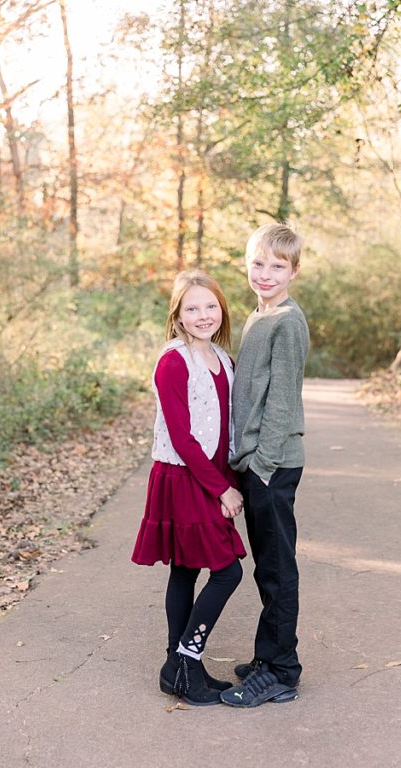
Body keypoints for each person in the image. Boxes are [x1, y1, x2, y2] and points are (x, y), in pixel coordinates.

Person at [132, 269, 246, 707]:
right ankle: (184, 658)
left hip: (212, 476)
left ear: (222, 309)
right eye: (192, 308)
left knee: (187, 568)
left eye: (210, 306)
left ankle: (180, 669)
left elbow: (225, 426)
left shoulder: (223, 359)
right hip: (184, 477)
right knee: (228, 571)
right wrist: (223, 490)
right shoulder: (172, 361)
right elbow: (182, 437)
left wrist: (232, 478)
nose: (203, 315)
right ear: (178, 317)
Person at [220, 222, 310, 708]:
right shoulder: (259, 316)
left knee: (277, 569)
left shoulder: (288, 323)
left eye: (278, 266)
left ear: (294, 270)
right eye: (259, 264)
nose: (266, 274)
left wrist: (262, 465)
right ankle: (268, 655)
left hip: (271, 466)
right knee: (266, 569)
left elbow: (280, 402)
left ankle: (281, 671)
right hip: (255, 462)